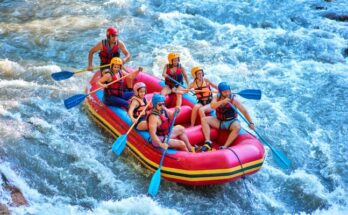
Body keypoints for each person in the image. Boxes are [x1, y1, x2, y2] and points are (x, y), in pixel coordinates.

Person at [201, 82, 255, 152]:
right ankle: (208, 141)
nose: (227, 93)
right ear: (220, 92)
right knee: (204, 119)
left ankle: (225, 146)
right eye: (225, 92)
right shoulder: (216, 97)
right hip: (219, 121)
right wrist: (222, 101)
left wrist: (251, 123)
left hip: (231, 122)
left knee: (237, 127)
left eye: (228, 91)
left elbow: (244, 111)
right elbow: (212, 106)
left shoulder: (234, 100)